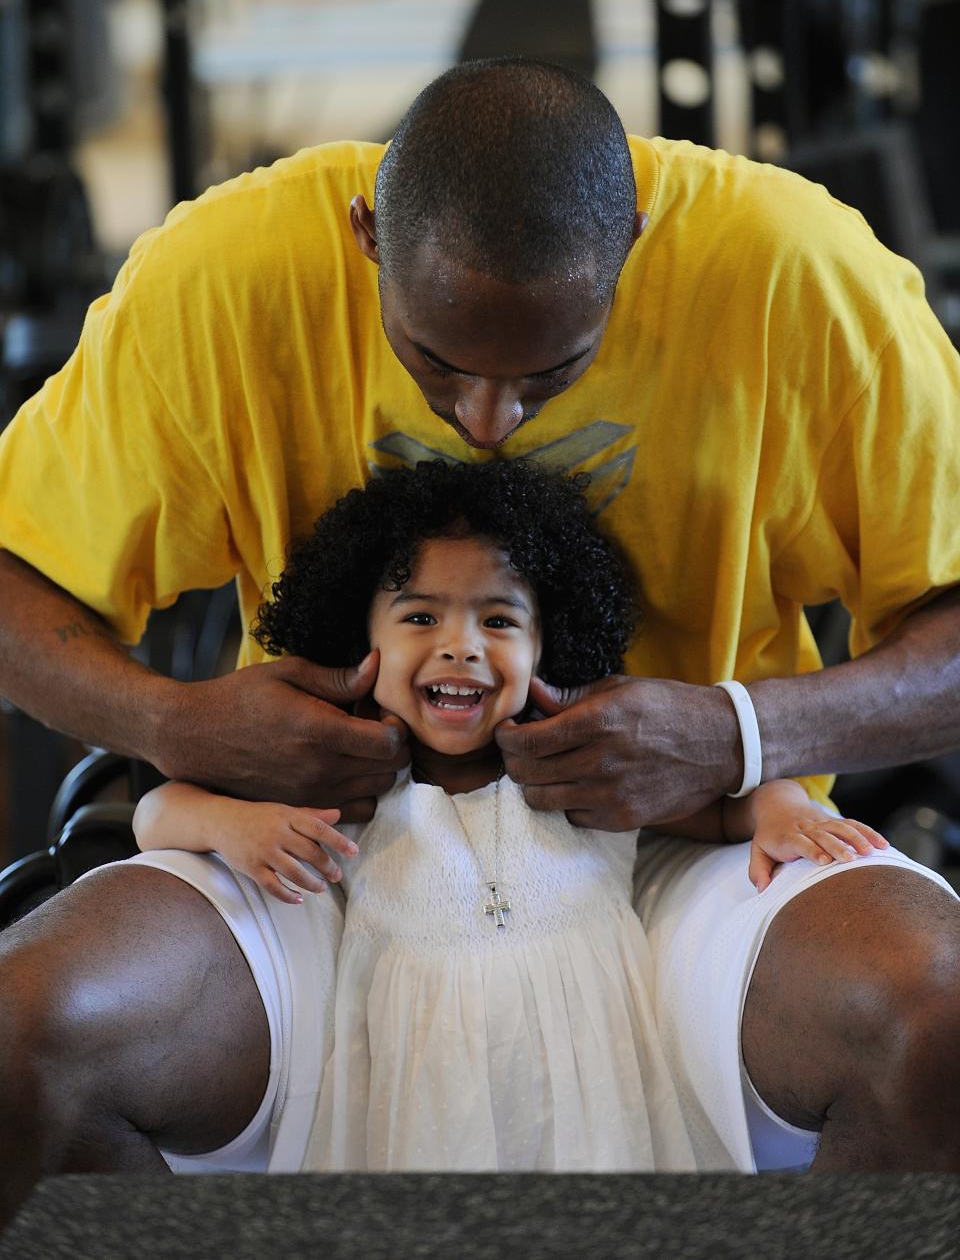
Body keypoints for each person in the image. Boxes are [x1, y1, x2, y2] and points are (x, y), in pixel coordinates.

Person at [0, 58, 959, 1222]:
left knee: (938, 1007)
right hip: (324, 854)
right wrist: (174, 724)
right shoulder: (225, 276)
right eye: (437, 361)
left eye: (550, 371)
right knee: (25, 1029)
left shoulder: (796, 272)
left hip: (678, 853)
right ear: (365, 237)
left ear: (635, 247)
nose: (487, 421)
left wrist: (734, 735)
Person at [129, 458, 889, 1171]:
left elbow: (726, 810)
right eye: (420, 618)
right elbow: (156, 812)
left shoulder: (588, 779)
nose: (460, 647)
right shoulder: (347, 788)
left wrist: (784, 806)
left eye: (498, 621)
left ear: (545, 647)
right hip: (409, 1110)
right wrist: (234, 827)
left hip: (602, 1107)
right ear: (360, 644)